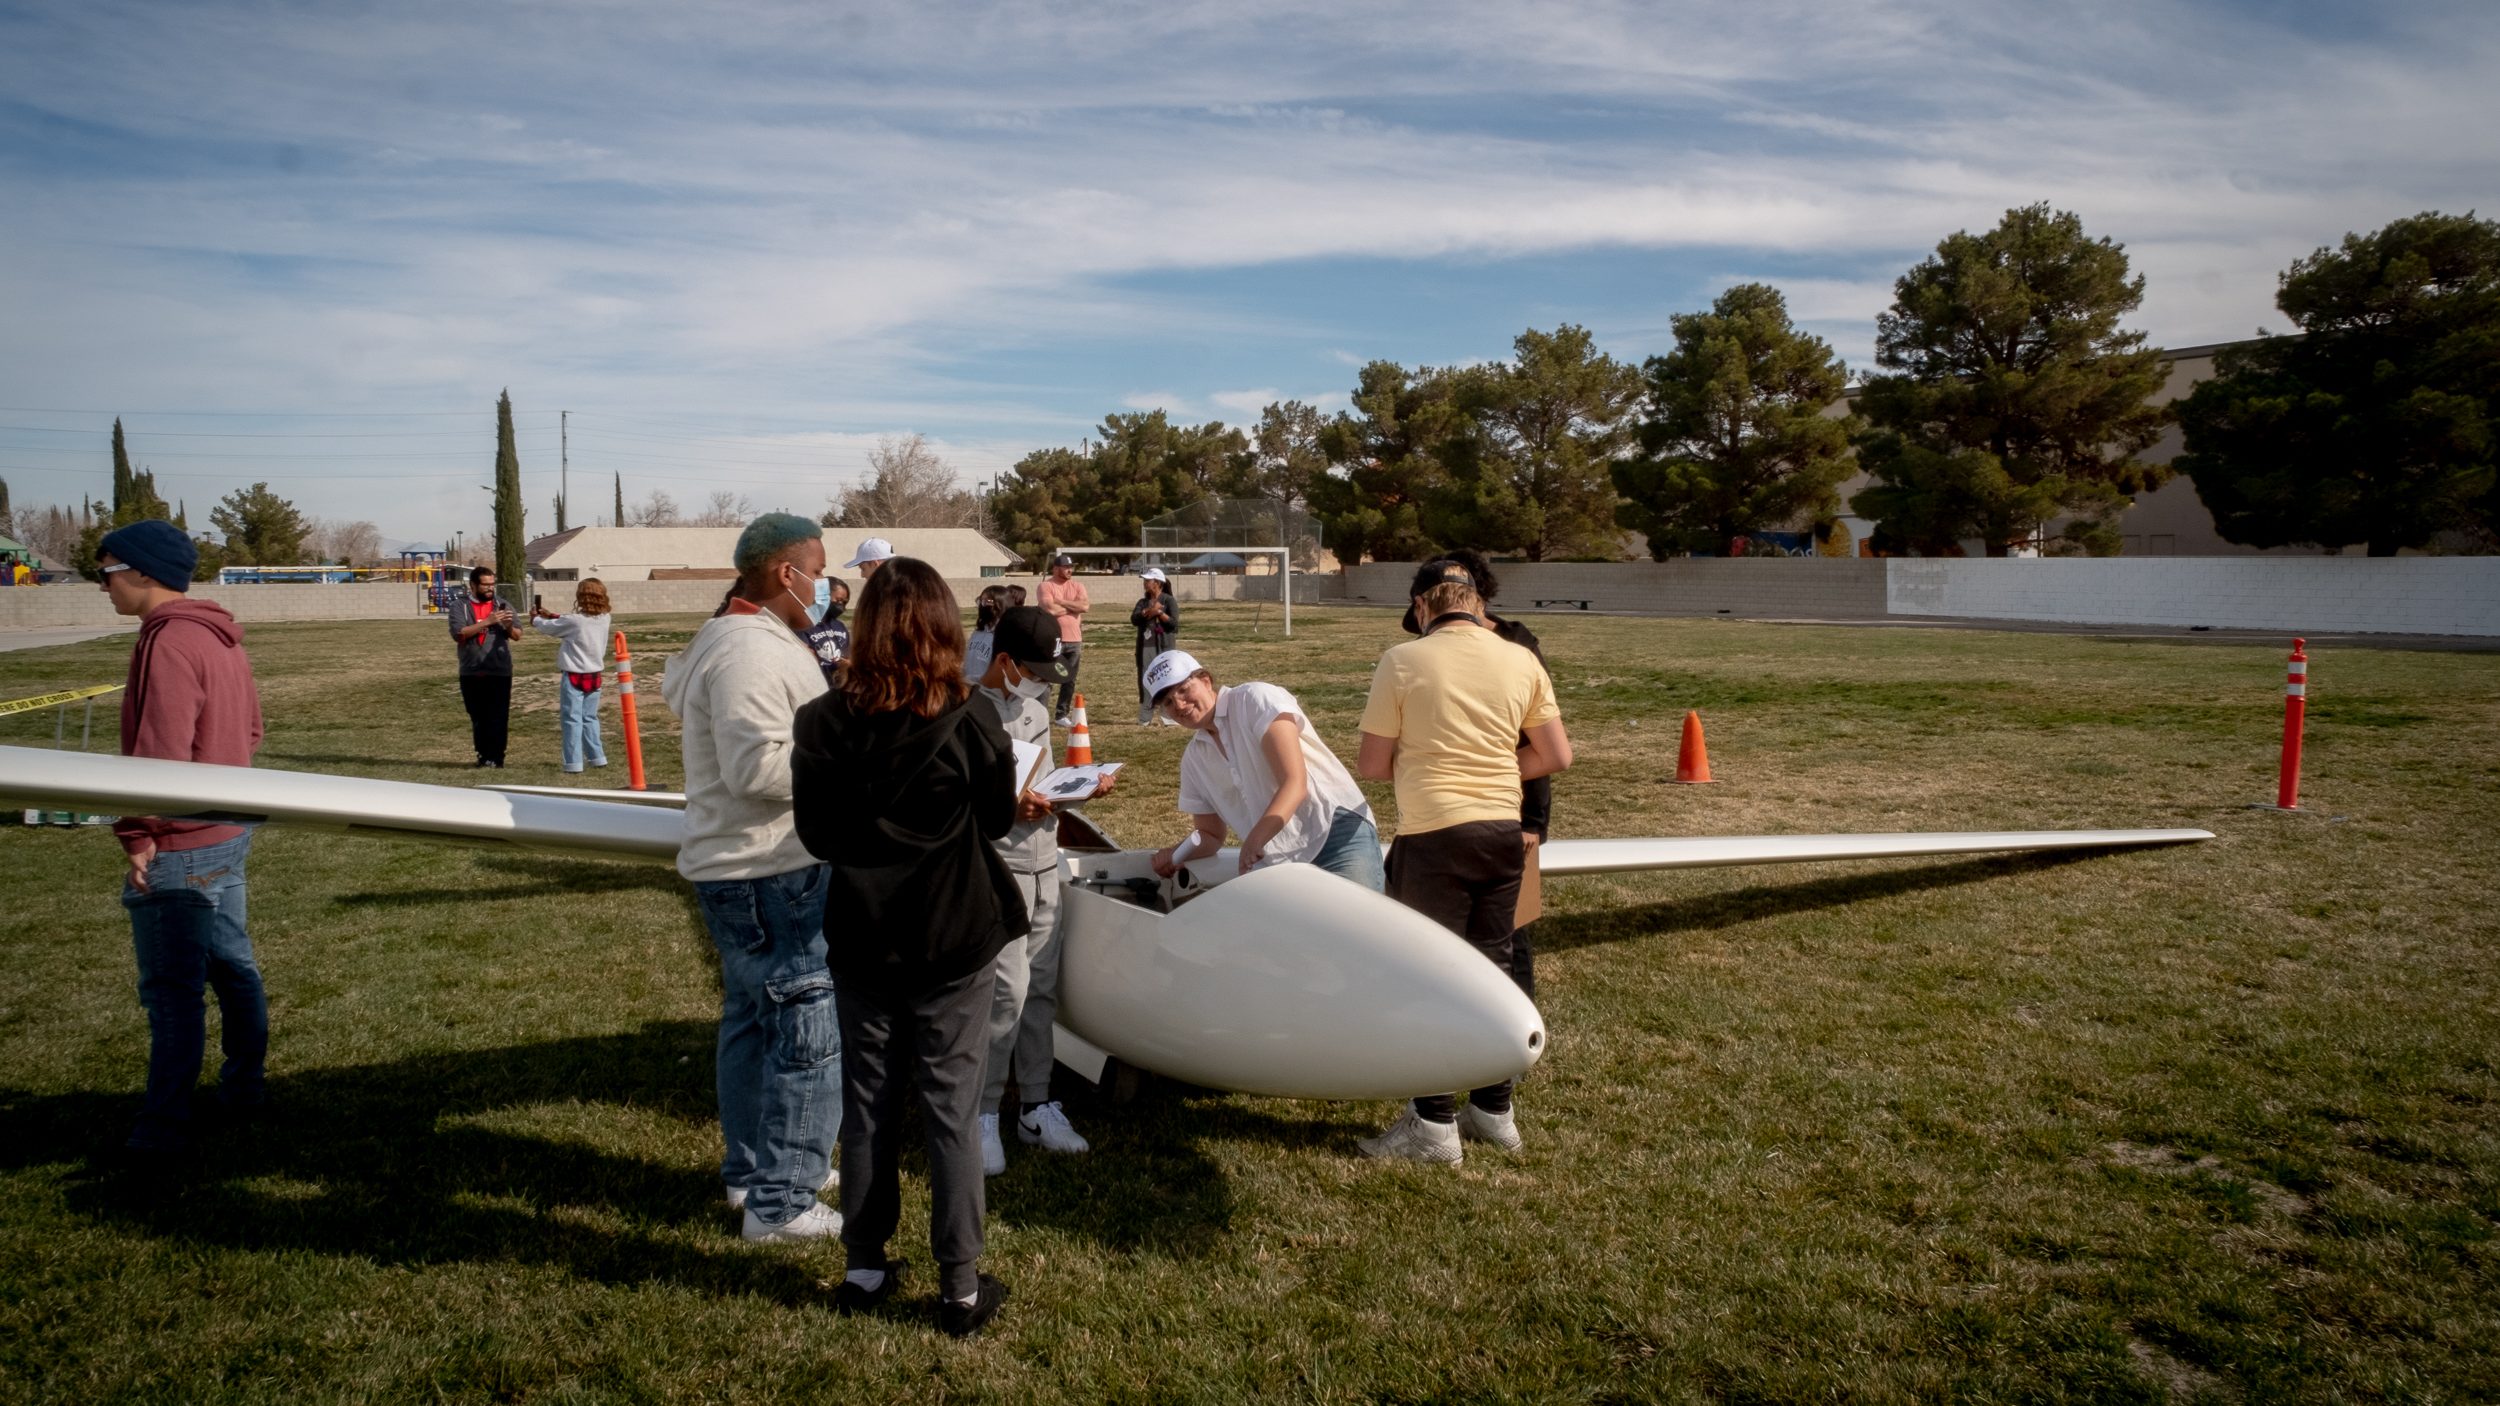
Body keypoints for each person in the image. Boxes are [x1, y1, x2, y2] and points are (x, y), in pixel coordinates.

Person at [791, 556, 1019, 1336]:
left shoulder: (822, 721)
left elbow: (817, 834)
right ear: (946, 629)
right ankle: (959, 1286)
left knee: (869, 1104)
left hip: (864, 935)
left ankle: (864, 1262)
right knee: (951, 1110)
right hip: (955, 935)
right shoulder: (971, 715)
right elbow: (995, 822)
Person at [659, 513, 842, 1244]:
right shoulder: (749, 653)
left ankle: (754, 1170)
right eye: (817, 568)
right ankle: (783, 1199)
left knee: (751, 1021)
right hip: (771, 870)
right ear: (783, 573)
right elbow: (758, 767)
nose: (824, 583)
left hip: (746, 866)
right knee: (805, 1026)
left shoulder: (743, 640)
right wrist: (853, 763)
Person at [1353, 559, 1572, 1164]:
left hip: (1434, 834)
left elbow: (1373, 764)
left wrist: (1431, 766)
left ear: (1424, 607)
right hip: (1504, 832)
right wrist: (1496, 769)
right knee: (1495, 968)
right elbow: (1556, 754)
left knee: (1434, 974)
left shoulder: (1404, 660)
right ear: (1478, 606)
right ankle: (1495, 1109)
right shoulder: (1521, 657)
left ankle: (1433, 1124)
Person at [95, 520, 267, 1154]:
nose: (102, 586)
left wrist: (139, 832)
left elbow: (160, 752)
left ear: (141, 574)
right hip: (227, 828)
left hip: (182, 843)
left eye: (106, 572)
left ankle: (162, 1128)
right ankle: (244, 1089)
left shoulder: (168, 641)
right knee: (234, 968)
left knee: (173, 992)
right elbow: (251, 730)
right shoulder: (218, 635)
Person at [971, 605, 1099, 1177]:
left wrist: (1079, 788)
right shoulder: (966, 714)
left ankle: (1037, 1103)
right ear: (1004, 661)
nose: (1040, 686)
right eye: (1033, 673)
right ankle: (982, 1112)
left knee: (1042, 988)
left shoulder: (1035, 709)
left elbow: (1041, 780)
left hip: (1047, 861)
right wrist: (1006, 805)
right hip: (999, 868)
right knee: (1006, 993)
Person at [1401, 549, 1551, 996]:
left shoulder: (1518, 650)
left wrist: (1532, 822)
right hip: (1476, 809)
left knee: (1508, 931)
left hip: (1511, 810)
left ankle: (1516, 1015)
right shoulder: (1437, 652)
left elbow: (1539, 746)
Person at [1144, 650, 1383, 892]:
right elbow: (1210, 835)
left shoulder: (1255, 699)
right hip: (1278, 861)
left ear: (1206, 681)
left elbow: (1294, 782)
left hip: (1333, 832)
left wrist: (1255, 840)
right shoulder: (1194, 760)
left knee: (1360, 925)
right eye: (1168, 703)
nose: (1180, 705)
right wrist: (1174, 854)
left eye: (1184, 690)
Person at [530, 578, 612, 773]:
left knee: (572, 720)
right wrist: (552, 614)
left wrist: (536, 618)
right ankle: (597, 757)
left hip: (574, 675)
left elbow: (550, 627)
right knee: (590, 718)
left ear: (580, 597)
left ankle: (573, 763)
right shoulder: (606, 618)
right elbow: (567, 620)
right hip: (595, 676)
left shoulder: (574, 621)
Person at [449, 565, 522, 768]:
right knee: (478, 715)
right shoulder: (459, 606)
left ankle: (497, 757)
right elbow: (459, 634)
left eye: (492, 584)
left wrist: (507, 625)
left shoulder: (503, 605)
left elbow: (518, 635)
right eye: (485, 585)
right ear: (473, 585)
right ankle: (483, 754)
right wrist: (487, 622)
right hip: (471, 670)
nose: (490, 589)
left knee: (499, 716)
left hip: (499, 670)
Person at [1034, 552, 1089, 725]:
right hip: (1054, 639)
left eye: (1071, 567)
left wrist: (1062, 602)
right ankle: (1040, 714)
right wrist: (1074, 608)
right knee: (1046, 677)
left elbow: (1085, 606)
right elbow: (1050, 610)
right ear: (1056, 568)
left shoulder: (1078, 586)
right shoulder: (1046, 586)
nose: (1069, 570)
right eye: (1065, 567)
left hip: (1074, 640)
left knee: (1069, 679)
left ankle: (1061, 714)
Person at [1128, 569, 1179, 725]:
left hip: (1164, 646)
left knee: (1166, 678)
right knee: (1146, 679)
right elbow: (1134, 619)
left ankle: (1168, 716)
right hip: (1146, 647)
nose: (1145, 583)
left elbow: (1174, 625)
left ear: (1157, 583)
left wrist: (1160, 613)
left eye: (1148, 580)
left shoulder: (1169, 600)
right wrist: (1149, 611)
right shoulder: (1142, 602)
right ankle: (1145, 717)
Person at [798, 577, 852, 680]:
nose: (841, 607)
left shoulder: (839, 626)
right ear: (822, 596)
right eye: (839, 600)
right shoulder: (802, 625)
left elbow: (847, 655)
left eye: (845, 603)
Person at [963, 585, 1010, 684]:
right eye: (980, 601)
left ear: (999, 605)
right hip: (969, 687)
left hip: (988, 691)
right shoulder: (978, 631)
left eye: (986, 602)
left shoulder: (1004, 634)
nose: (981, 605)